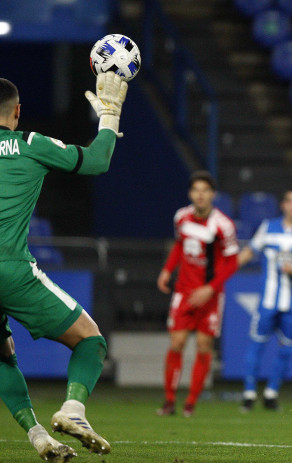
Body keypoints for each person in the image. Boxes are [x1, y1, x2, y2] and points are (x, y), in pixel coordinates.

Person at [0, 72, 127, 461]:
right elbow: (96, 161)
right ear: (17, 112)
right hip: (10, 270)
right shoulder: (30, 145)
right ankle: (73, 411)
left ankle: (38, 436)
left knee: (3, 355)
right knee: (90, 340)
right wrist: (110, 116)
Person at [156, 170, 239, 417]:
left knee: (204, 347)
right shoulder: (181, 217)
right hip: (183, 291)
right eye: (196, 190)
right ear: (190, 193)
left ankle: (190, 403)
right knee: (177, 343)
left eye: (205, 190)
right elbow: (180, 245)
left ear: (212, 194)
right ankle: (169, 401)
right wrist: (167, 270)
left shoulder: (223, 225)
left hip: (210, 295)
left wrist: (209, 288)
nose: (200, 195)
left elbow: (231, 262)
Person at [237, 188, 292, 412]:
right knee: (257, 344)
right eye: (290, 202)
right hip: (267, 301)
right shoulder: (268, 227)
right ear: (283, 205)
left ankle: (271, 392)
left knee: (287, 349)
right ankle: (248, 393)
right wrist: (227, 268)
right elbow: (249, 252)